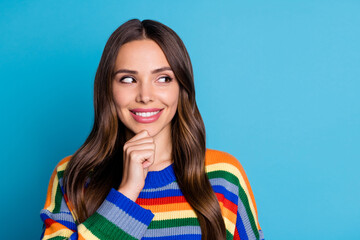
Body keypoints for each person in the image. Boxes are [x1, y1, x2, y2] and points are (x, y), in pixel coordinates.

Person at [40, 19, 264, 240]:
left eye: (163, 78)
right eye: (128, 79)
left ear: (181, 88)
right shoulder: (72, 175)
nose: (145, 96)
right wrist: (127, 193)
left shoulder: (224, 176)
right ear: (108, 89)